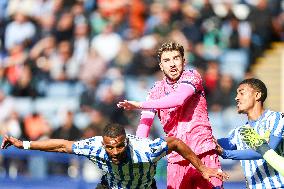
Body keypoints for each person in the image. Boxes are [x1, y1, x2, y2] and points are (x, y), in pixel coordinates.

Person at [117, 41, 223, 189]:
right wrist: (137, 156)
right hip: (175, 159)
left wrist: (140, 105)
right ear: (161, 66)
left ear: (184, 61)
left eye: (176, 58)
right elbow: (144, 124)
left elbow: (178, 100)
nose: (172, 64)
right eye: (167, 60)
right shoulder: (156, 89)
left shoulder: (192, 76)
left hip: (203, 152)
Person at [1, 123, 228, 189]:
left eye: (119, 146)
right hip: (110, 186)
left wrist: (203, 169)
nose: (115, 152)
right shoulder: (96, 147)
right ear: (104, 144)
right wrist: (24, 144)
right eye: (110, 147)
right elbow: (62, 145)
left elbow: (176, 143)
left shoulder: (145, 151)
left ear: (126, 142)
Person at [215, 78, 284, 188]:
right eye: (237, 94)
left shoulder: (277, 118)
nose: (236, 97)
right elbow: (214, 144)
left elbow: (268, 151)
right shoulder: (239, 132)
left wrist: (226, 154)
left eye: (242, 93)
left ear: (257, 95)